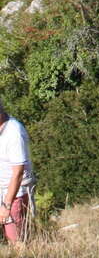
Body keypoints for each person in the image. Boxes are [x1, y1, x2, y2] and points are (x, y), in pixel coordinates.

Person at [0, 102, 35, 245]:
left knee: (16, 241)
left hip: (15, 194)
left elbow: (18, 173)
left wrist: (6, 205)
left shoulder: (14, 132)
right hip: (2, 188)